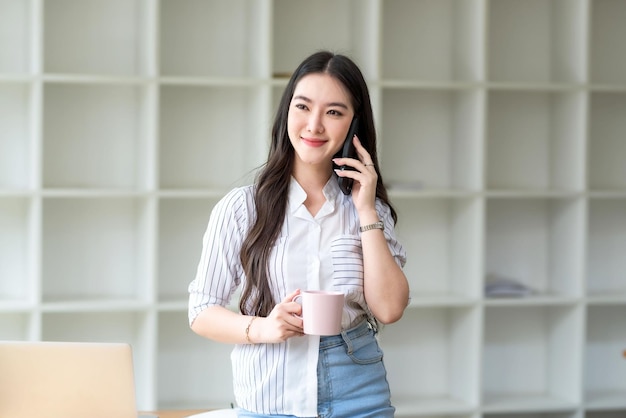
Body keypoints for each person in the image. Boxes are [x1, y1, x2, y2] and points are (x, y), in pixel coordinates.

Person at [188, 50, 409, 418]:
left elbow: (389, 309)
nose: (314, 125)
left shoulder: (368, 209)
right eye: (303, 107)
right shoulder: (242, 208)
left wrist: (367, 210)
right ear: (287, 112)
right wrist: (261, 328)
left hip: (357, 387)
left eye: (334, 112)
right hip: (269, 393)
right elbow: (201, 311)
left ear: (354, 125)